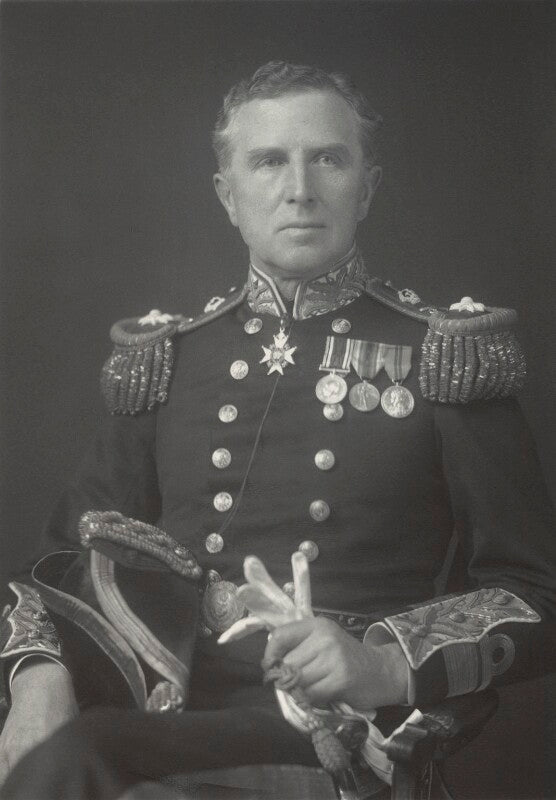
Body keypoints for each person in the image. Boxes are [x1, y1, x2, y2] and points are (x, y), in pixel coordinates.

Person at [0, 61, 554, 800]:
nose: (300, 189)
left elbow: (533, 593)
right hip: (158, 701)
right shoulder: (169, 358)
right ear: (228, 195)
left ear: (367, 187)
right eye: (268, 162)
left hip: (332, 728)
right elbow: (59, 559)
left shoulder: (446, 354)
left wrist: (383, 663)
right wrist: (37, 678)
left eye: (328, 158)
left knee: (87, 757)